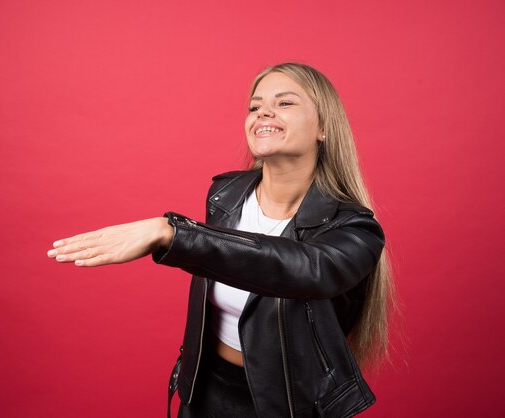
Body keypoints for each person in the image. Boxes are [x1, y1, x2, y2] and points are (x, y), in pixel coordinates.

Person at [47, 62, 393, 418]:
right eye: (255, 106)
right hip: (204, 391)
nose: (264, 113)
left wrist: (172, 232)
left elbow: (302, 270)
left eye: (285, 103)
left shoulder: (355, 228)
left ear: (323, 126)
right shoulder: (225, 194)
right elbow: (229, 262)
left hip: (291, 407)